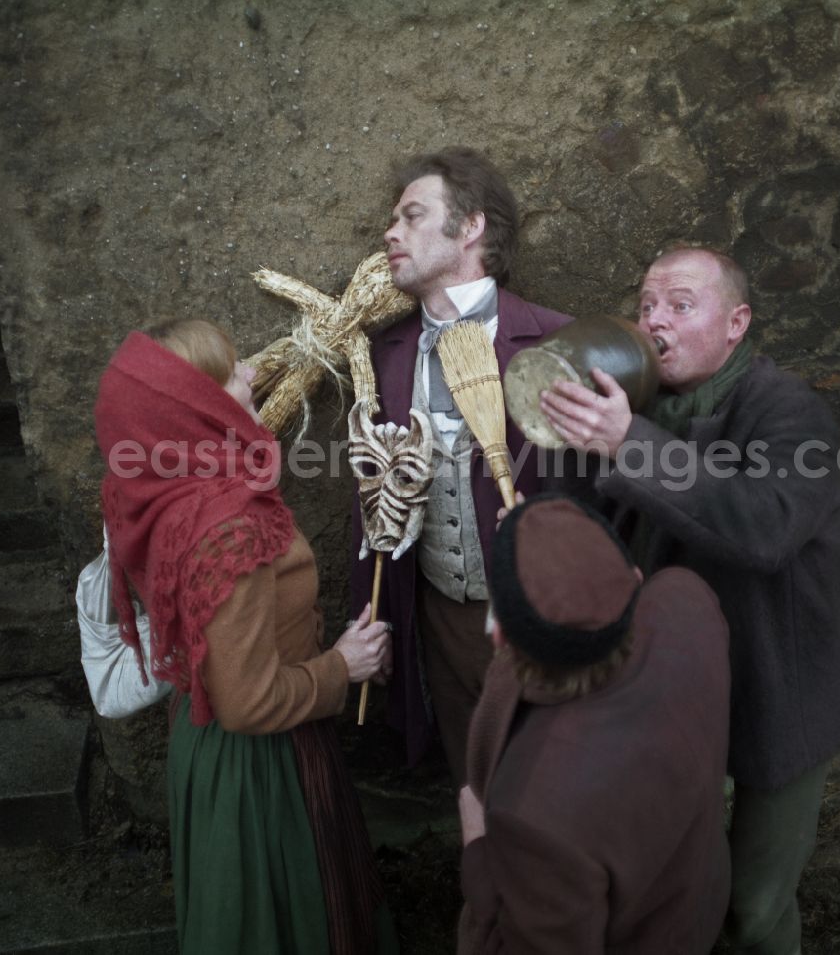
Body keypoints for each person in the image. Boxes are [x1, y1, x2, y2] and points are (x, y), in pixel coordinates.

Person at [539, 246, 840, 954]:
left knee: (753, 908)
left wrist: (630, 443)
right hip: (671, 688)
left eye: (681, 306)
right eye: (648, 304)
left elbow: (765, 525)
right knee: (680, 892)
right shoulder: (635, 400)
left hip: (778, 687)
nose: (656, 322)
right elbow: (582, 517)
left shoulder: (789, 411)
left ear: (736, 322)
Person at [94, 318, 397, 955]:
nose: (253, 374)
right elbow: (248, 701)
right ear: (196, 403)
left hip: (202, 740)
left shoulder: (152, 487)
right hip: (261, 767)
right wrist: (342, 665)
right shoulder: (227, 520)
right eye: (233, 370)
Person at [350, 146, 572, 782]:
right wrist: (372, 613)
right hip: (438, 619)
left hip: (540, 618)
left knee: (553, 785)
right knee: (473, 782)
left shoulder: (557, 342)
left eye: (412, 216)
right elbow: (370, 497)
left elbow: (609, 493)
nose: (390, 233)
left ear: (470, 226)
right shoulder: (384, 355)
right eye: (393, 221)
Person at [456, 493, 731, 953]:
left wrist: (478, 846)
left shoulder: (535, 815)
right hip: (697, 903)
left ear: (500, 634)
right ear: (633, 579)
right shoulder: (688, 599)